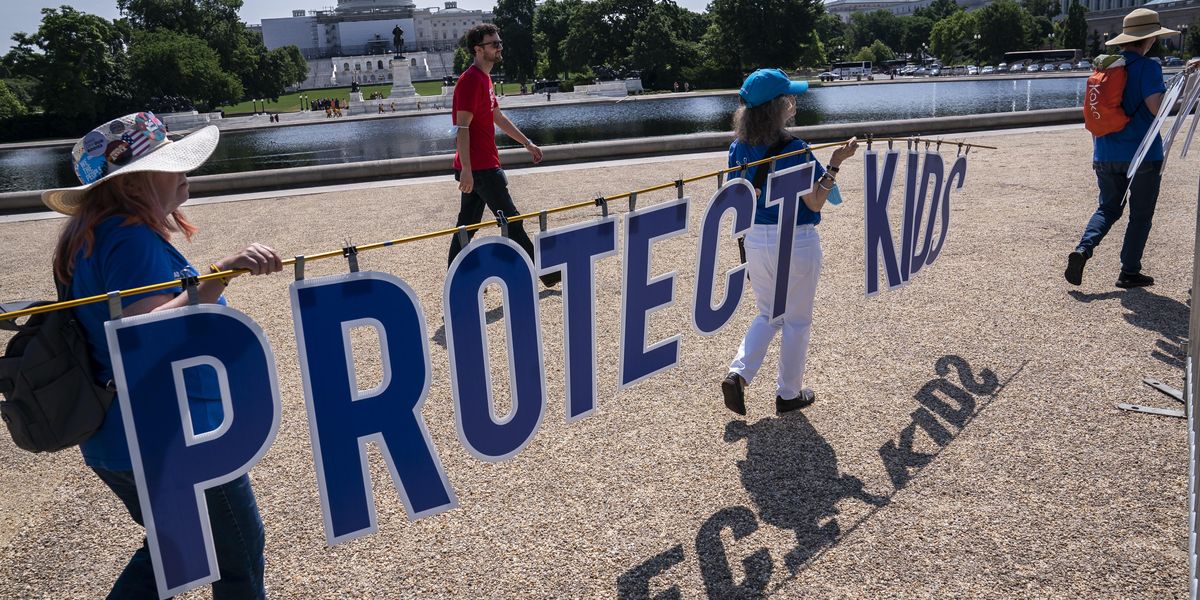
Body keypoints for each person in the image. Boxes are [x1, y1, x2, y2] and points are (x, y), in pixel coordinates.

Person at [44, 111, 283, 597]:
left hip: (119, 437)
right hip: (171, 435)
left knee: (180, 548)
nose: (183, 171)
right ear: (138, 180)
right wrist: (222, 272)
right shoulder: (129, 238)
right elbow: (144, 334)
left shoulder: (92, 235)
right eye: (171, 161)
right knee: (234, 552)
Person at [719, 69, 859, 416]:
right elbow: (814, 202)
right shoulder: (794, 149)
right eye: (789, 98)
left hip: (756, 239)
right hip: (794, 240)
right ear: (777, 107)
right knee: (796, 320)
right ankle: (789, 393)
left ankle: (739, 373)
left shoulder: (738, 149)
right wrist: (835, 165)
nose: (793, 102)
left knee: (768, 314)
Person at [1065, 8, 1192, 288]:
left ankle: (1083, 249)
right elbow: (1157, 107)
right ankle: (1129, 271)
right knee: (1140, 214)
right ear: (1150, 40)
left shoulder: (1107, 67)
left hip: (1105, 152)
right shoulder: (1148, 67)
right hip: (1143, 155)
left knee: (1108, 208)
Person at [447, 23, 559, 287]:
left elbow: (496, 116)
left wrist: (527, 143)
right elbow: (461, 127)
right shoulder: (470, 80)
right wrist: (466, 169)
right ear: (477, 49)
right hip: (481, 169)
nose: (499, 48)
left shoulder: (484, 79)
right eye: (493, 44)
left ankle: (454, 280)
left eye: (499, 43)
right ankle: (547, 274)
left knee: (467, 224)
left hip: (481, 166)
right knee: (511, 220)